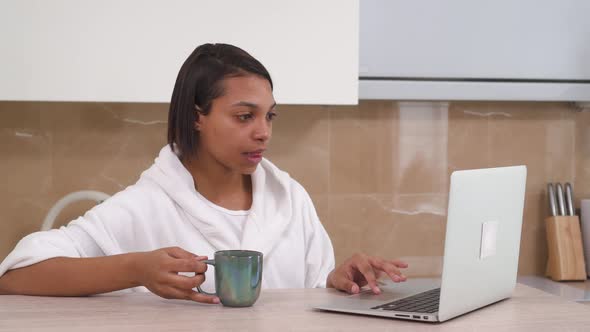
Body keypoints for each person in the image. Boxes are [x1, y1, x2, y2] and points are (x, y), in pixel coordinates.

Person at [0, 43, 408, 303]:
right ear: (197, 117)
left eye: (269, 116)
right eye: (244, 116)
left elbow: (312, 295)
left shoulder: (290, 199)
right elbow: (16, 275)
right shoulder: (146, 205)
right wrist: (136, 268)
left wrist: (339, 281)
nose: (263, 132)